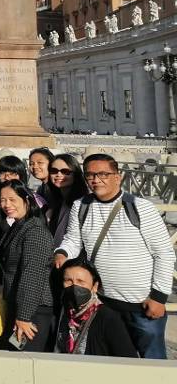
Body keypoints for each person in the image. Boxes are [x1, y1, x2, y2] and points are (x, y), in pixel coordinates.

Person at [54, 154, 174, 359]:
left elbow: (164, 253)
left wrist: (159, 297)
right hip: (103, 302)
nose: (95, 179)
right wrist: (62, 253)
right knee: (110, 359)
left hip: (141, 304)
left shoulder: (140, 208)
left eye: (103, 174)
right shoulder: (80, 206)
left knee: (152, 362)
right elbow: (73, 239)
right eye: (90, 174)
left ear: (118, 177)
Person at [0, 180, 54, 352]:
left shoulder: (35, 231)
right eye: (3, 200)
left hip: (33, 309)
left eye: (12, 199)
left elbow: (32, 275)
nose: (7, 205)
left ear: (26, 200)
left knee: (26, 363)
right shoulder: (19, 225)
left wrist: (24, 316)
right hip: (20, 305)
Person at [54, 257, 138, 357]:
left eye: (81, 281)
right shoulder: (65, 313)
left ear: (94, 286)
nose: (74, 286)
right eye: (69, 280)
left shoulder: (107, 317)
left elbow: (127, 357)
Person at [43, 153, 86, 246]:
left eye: (65, 171)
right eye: (54, 171)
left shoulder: (82, 204)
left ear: (76, 174)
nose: (58, 174)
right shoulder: (57, 200)